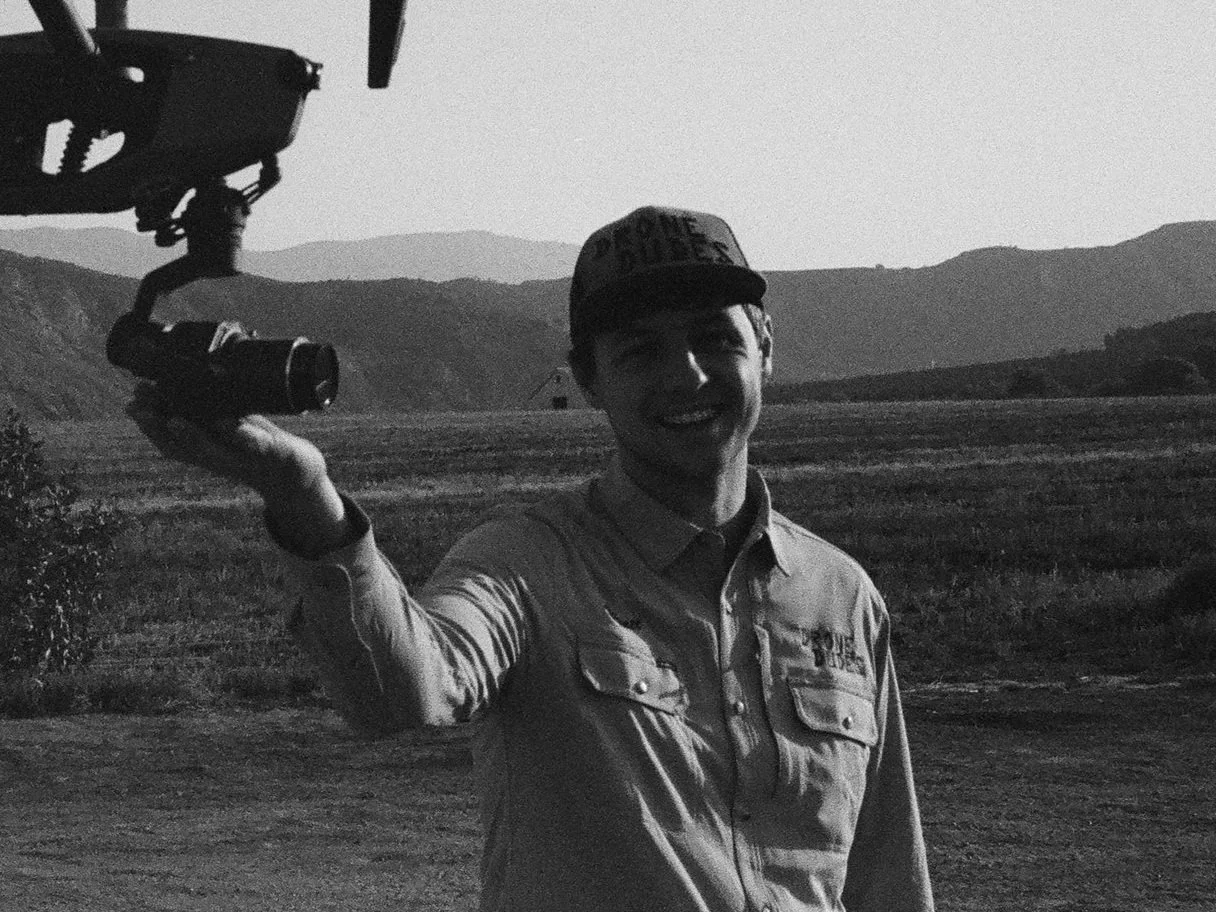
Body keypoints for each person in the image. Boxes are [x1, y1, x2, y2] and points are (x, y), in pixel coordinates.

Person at [130, 205, 935, 912]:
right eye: (639, 351)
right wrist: (303, 494)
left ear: (765, 349)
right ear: (588, 381)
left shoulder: (841, 595)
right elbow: (401, 692)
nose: (685, 372)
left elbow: (886, 876)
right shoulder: (523, 567)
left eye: (713, 337)